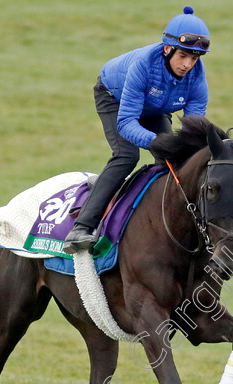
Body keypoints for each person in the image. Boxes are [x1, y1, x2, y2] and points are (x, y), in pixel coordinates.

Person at [63, 6, 210, 254]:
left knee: (173, 161)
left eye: (194, 59)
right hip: (115, 98)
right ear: (167, 49)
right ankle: (81, 228)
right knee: (126, 156)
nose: (188, 65)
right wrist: (155, 141)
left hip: (155, 107)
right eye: (183, 56)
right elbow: (126, 123)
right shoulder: (143, 66)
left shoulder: (197, 79)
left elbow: (192, 130)